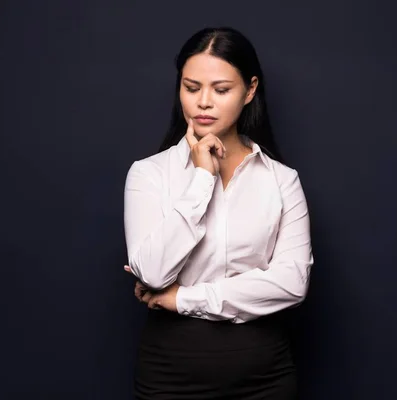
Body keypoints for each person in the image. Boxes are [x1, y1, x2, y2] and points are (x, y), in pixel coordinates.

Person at [121, 26, 313, 399]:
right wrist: (202, 179)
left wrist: (183, 299)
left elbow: (291, 284)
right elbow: (155, 272)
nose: (203, 102)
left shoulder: (282, 181)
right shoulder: (148, 174)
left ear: (250, 90)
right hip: (170, 376)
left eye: (221, 90)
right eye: (191, 88)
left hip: (265, 377)